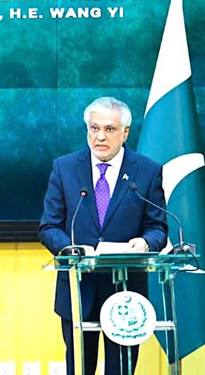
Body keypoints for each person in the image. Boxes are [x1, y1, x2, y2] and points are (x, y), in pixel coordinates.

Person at [38, 96, 167, 375]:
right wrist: (71, 249)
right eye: (94, 128)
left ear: (125, 132)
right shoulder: (65, 168)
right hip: (78, 290)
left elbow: (158, 228)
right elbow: (49, 227)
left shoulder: (147, 171)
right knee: (79, 368)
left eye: (109, 129)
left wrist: (145, 242)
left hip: (126, 294)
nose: (100, 137)